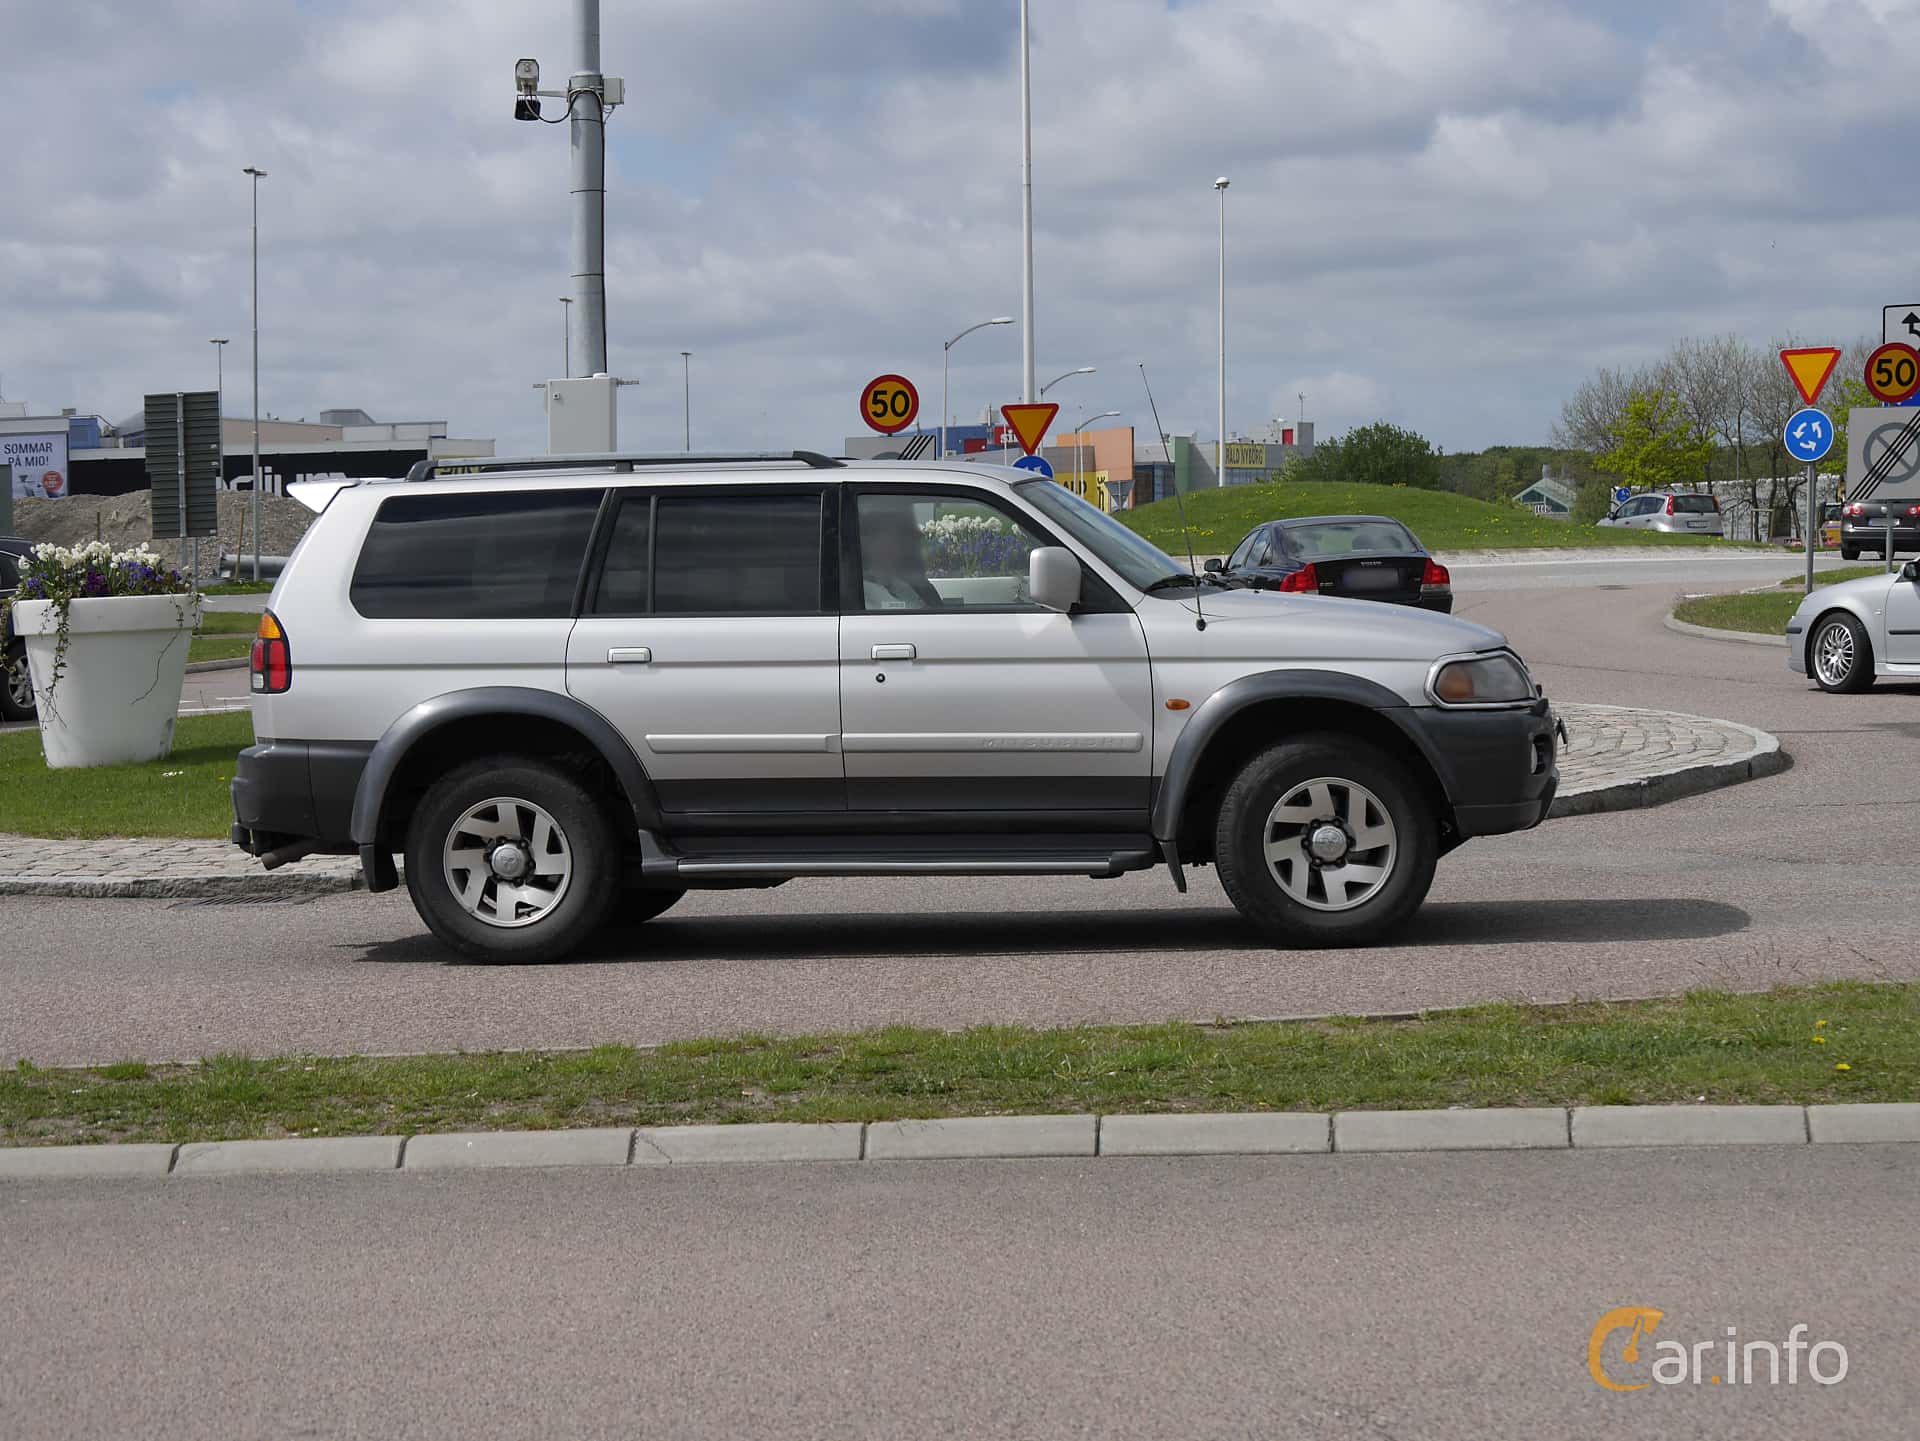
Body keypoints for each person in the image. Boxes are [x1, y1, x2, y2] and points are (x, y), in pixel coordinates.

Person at [861, 505, 943, 610]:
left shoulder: (906, 584)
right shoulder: (864, 593)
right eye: (896, 537)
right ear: (868, 543)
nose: (904, 545)